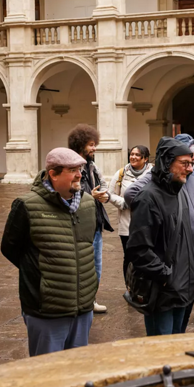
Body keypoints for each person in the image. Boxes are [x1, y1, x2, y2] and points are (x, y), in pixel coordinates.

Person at [1, 148, 98, 356]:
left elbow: (86, 245)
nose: (80, 174)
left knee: (76, 374)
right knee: (47, 375)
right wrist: (42, 273)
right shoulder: (26, 205)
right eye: (72, 170)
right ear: (53, 174)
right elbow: (10, 248)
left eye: (80, 169)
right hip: (47, 311)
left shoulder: (88, 204)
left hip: (83, 308)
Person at [124, 134, 194, 332]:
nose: (190, 169)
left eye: (191, 163)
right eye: (184, 163)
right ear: (167, 163)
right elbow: (139, 249)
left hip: (183, 288)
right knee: (161, 348)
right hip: (162, 291)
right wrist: (166, 276)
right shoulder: (148, 198)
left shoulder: (179, 191)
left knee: (176, 345)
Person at [68, 124, 113, 314]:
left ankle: (91, 300)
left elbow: (102, 186)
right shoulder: (72, 167)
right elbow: (70, 194)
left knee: (96, 266)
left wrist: (105, 195)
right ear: (80, 145)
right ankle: (79, 301)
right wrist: (91, 197)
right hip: (79, 225)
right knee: (81, 267)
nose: (94, 148)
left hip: (95, 223)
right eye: (91, 145)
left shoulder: (92, 166)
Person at [107, 145, 151, 278]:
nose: (133, 157)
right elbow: (110, 194)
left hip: (148, 224)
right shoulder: (121, 173)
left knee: (147, 255)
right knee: (129, 256)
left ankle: (145, 286)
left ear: (145, 159)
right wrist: (124, 203)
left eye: (137, 155)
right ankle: (130, 286)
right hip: (127, 224)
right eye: (132, 154)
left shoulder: (153, 174)